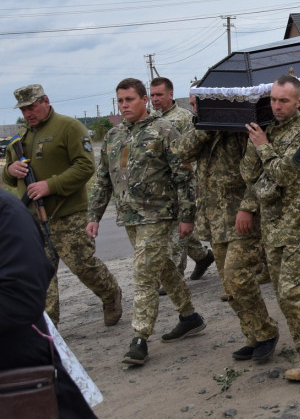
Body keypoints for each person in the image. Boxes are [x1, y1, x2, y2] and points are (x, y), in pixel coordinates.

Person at [0, 192, 166, 419]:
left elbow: (23, 292)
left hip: (17, 387)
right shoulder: (26, 142)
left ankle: (125, 312)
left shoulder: (5, 212)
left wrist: (53, 185)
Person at [87, 78, 205, 366]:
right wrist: (94, 216)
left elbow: (184, 176)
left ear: (144, 100)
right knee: (162, 267)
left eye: (130, 99)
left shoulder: (164, 130)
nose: (124, 105)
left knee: (143, 274)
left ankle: (139, 338)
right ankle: (190, 316)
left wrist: (187, 217)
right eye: (120, 101)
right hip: (129, 216)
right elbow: (103, 179)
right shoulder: (114, 136)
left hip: (158, 215)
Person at [239, 76, 300, 383]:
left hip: (296, 222)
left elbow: (284, 174)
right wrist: (255, 143)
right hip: (271, 223)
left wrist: (264, 148)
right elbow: (247, 174)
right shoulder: (266, 130)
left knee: (292, 290)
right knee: (283, 297)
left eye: (284, 100)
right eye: (273, 99)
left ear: (298, 102)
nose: (277, 106)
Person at [3, 84, 122, 327]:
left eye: (32, 106)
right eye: (24, 109)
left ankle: (110, 294)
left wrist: (51, 185)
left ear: (45, 101)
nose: (28, 113)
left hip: (68, 214)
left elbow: (85, 166)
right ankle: (49, 328)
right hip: (34, 219)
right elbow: (8, 176)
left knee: (83, 265)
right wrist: (10, 170)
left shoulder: (69, 127)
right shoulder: (21, 137)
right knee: (42, 274)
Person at [175, 113, 279, 363]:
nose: (196, 109)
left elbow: (262, 172)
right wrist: (205, 127)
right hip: (215, 221)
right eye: (193, 105)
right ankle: (253, 335)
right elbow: (180, 151)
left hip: (242, 217)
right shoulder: (202, 127)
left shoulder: (242, 126)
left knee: (238, 278)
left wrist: (249, 206)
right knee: (230, 286)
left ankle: (266, 332)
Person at [149, 77, 216, 281]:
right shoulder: (150, 119)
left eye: (159, 95)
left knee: (178, 229)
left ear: (170, 94)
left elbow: (191, 150)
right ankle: (203, 256)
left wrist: (193, 182)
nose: (155, 99)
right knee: (177, 226)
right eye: (152, 95)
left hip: (181, 180)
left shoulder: (184, 118)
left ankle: (174, 278)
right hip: (160, 184)